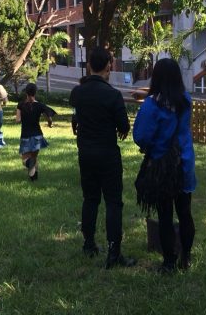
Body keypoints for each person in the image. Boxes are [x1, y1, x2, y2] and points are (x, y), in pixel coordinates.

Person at [69, 47, 135, 269]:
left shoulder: (78, 92)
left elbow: (76, 116)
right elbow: (123, 126)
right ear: (108, 65)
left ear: (89, 65)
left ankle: (88, 244)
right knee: (113, 202)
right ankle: (114, 252)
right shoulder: (112, 95)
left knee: (90, 199)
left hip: (85, 153)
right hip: (107, 154)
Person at [132, 58, 196, 273]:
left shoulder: (152, 104)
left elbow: (141, 136)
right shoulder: (185, 100)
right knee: (185, 212)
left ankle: (169, 262)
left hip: (162, 167)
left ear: (156, 77)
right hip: (184, 162)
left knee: (165, 215)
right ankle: (186, 257)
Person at [16, 83, 54, 181]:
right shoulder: (40, 105)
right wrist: (50, 124)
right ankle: (34, 178)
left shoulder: (21, 105)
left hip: (25, 135)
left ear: (26, 92)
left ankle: (30, 165)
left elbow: (18, 120)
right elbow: (49, 118)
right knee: (34, 157)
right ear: (35, 92)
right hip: (37, 135)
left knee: (25, 160)